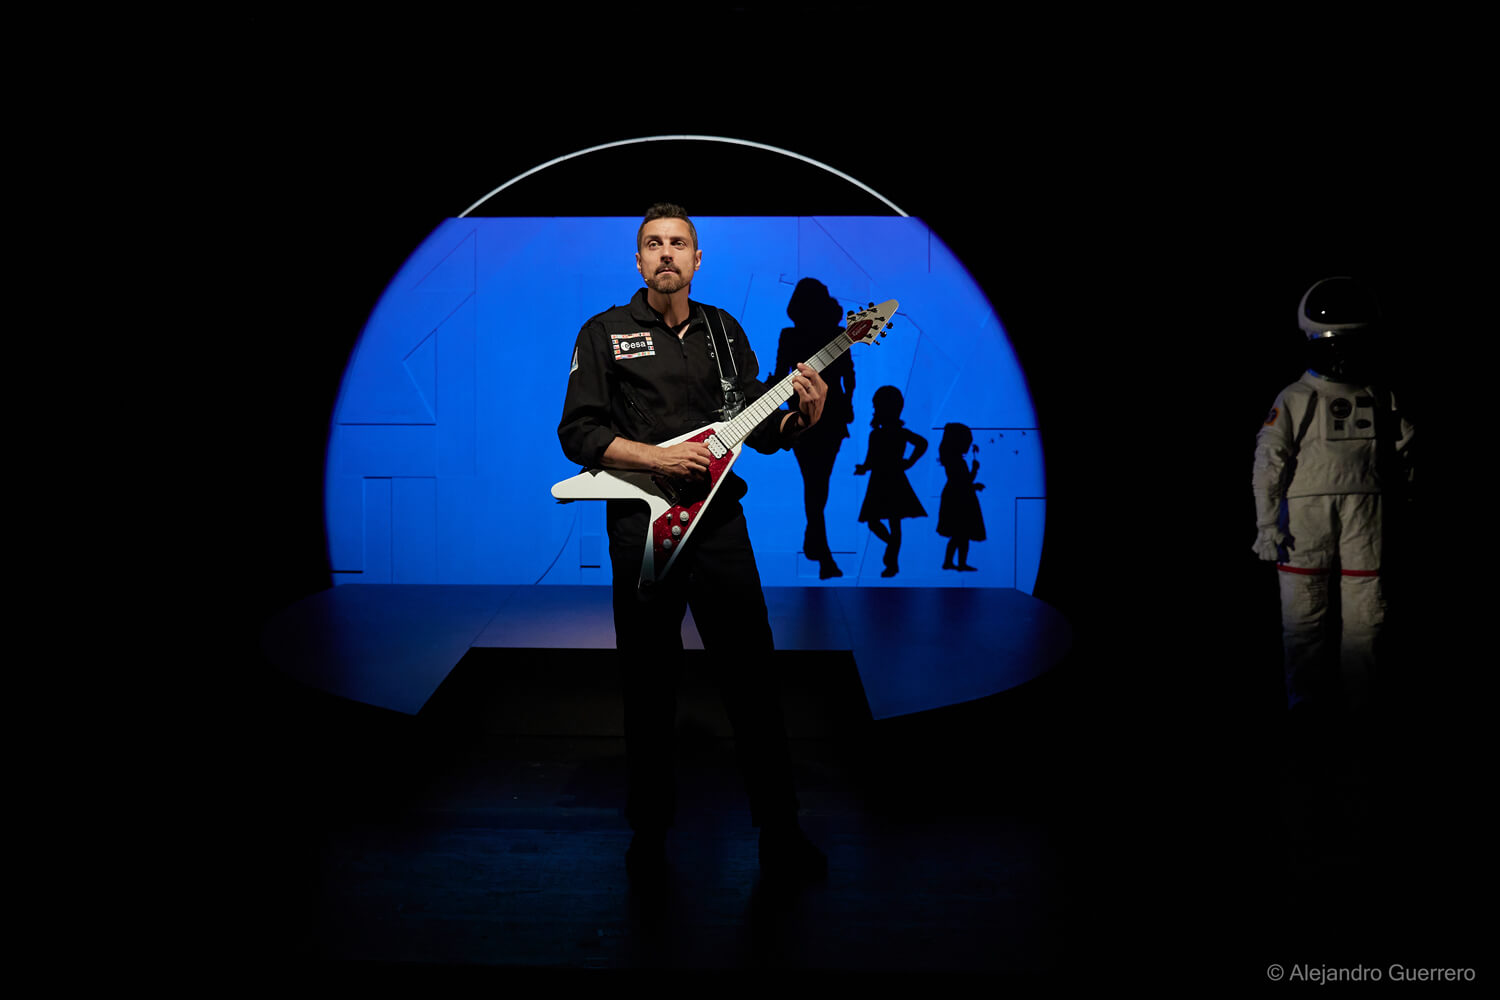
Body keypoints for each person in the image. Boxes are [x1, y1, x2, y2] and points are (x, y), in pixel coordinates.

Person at [557, 203, 828, 884]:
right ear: (639, 260)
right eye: (654, 243)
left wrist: (801, 419)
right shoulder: (604, 332)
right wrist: (655, 458)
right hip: (642, 528)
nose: (666, 253)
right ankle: (649, 837)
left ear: (697, 259)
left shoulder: (724, 332)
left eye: (678, 243)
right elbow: (579, 432)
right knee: (648, 683)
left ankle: (780, 830)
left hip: (720, 528)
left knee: (754, 677)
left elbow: (755, 430)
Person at [1251, 276, 1414, 720]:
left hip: (1362, 505)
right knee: (1304, 612)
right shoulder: (1297, 397)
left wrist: (1401, 497)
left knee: (1367, 611)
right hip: (1314, 511)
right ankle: (1306, 703)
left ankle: (1360, 700)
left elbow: (1404, 449)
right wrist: (1266, 525)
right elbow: (1270, 461)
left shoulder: (1376, 395)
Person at [775, 278, 856, 580]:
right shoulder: (832, 335)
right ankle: (821, 550)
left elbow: (779, 374)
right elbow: (849, 376)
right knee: (817, 481)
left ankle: (815, 540)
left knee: (817, 481)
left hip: (822, 416)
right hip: (808, 418)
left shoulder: (827, 336)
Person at [854, 385, 928, 577]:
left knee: (893, 522)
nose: (875, 410)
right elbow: (871, 459)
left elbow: (922, 443)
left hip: (891, 480)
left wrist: (910, 461)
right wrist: (864, 468)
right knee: (876, 522)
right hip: (880, 480)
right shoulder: (877, 435)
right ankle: (892, 548)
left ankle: (892, 560)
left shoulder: (898, 433)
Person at [936, 423, 986, 571]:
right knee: (962, 534)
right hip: (960, 498)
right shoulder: (957, 462)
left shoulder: (952, 461)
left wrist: (973, 481)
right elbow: (963, 481)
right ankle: (958, 563)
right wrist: (975, 472)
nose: (968, 446)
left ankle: (951, 562)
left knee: (959, 534)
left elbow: (962, 481)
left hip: (956, 495)